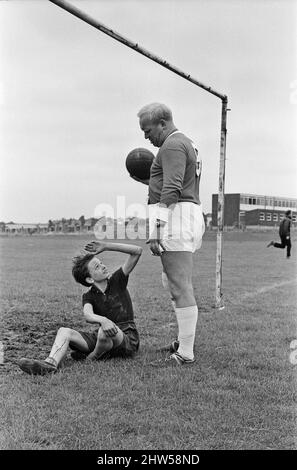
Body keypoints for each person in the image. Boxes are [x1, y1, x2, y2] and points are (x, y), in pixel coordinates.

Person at [136, 102, 205, 366]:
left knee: (179, 284)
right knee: (172, 281)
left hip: (177, 217)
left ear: (163, 124)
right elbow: (173, 181)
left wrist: (157, 228)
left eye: (148, 129)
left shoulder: (173, 145)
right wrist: (148, 181)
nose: (146, 136)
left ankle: (186, 352)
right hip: (185, 214)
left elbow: (174, 187)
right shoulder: (185, 143)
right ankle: (182, 340)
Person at [18, 241, 142, 375]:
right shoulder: (88, 296)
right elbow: (88, 315)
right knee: (64, 331)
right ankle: (50, 364)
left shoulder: (117, 280)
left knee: (103, 332)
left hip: (126, 338)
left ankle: (93, 356)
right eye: (97, 267)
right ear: (89, 279)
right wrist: (104, 320)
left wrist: (106, 246)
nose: (103, 266)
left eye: (101, 263)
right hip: (101, 336)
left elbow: (137, 251)